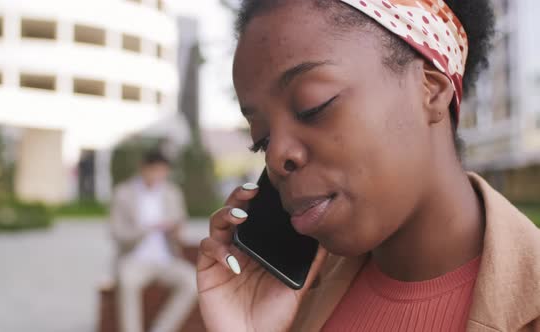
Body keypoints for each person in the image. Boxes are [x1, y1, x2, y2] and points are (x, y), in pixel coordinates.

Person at [196, 1, 540, 331]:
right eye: (262, 139)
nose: (275, 158)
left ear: (432, 91)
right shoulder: (290, 301)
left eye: (313, 106)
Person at [110, 150, 196, 332]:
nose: (159, 176)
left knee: (192, 281)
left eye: (163, 171)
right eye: (155, 170)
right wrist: (146, 229)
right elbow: (117, 233)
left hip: (166, 259)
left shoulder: (172, 193)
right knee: (127, 281)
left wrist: (174, 230)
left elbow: (181, 230)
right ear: (143, 168)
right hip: (134, 259)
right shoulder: (123, 193)